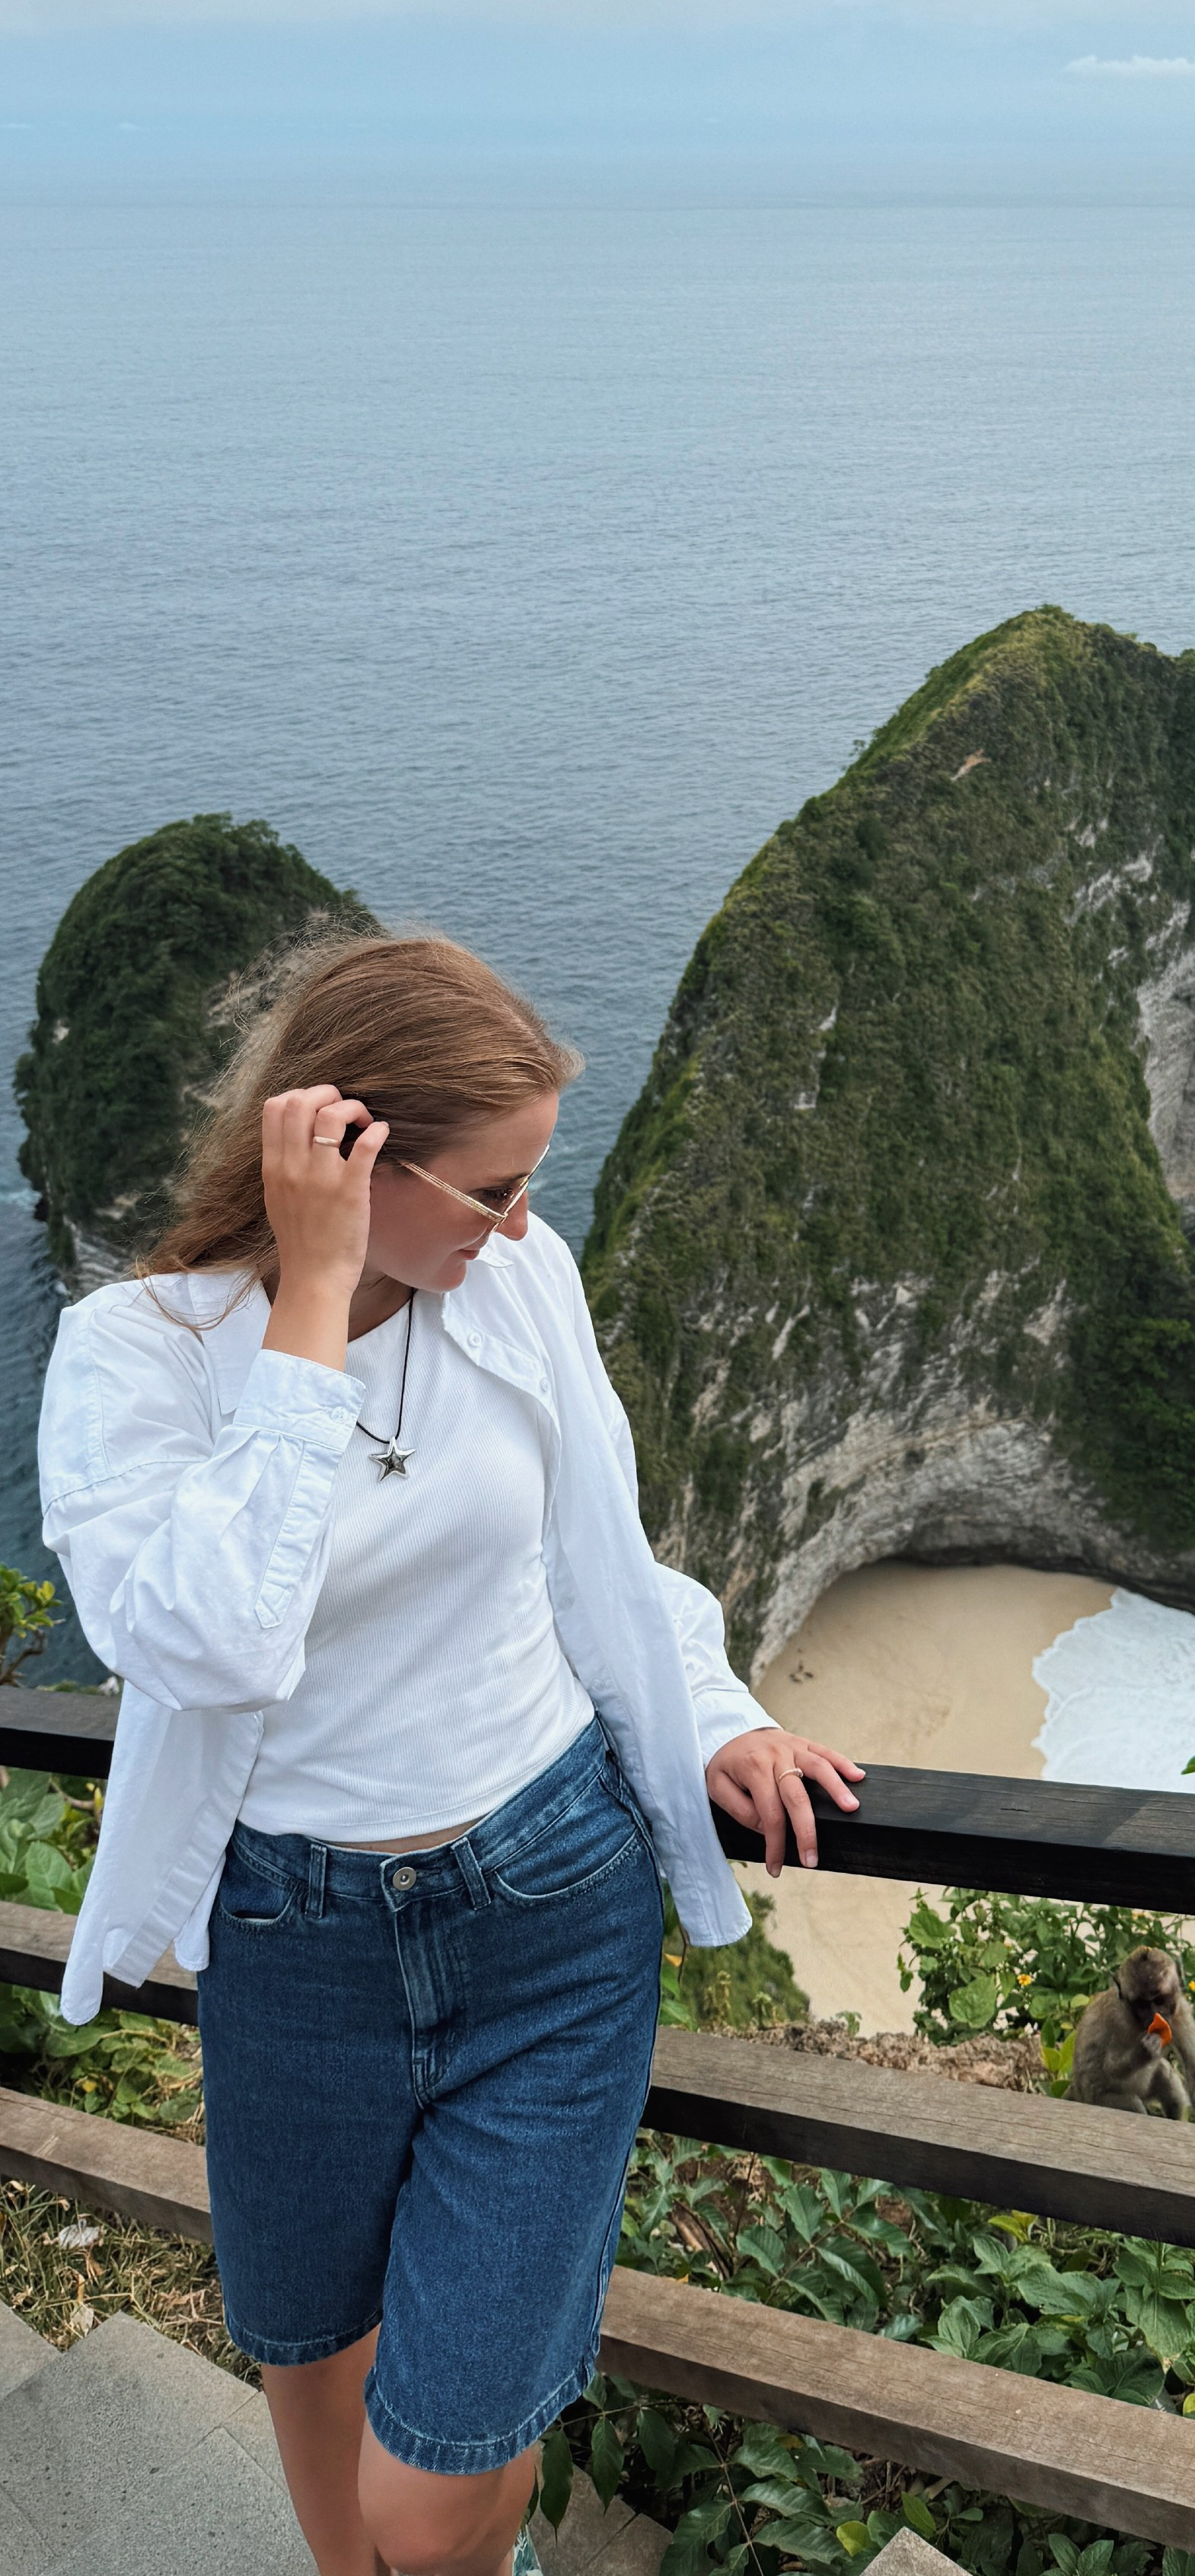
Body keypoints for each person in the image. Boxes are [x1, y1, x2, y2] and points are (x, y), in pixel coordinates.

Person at [37, 931, 861, 2576]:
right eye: (489, 1190)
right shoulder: (137, 1356)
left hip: (547, 1911)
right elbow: (202, 1640)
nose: (521, 1228)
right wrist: (317, 1308)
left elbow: (596, 1559)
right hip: (294, 1939)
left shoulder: (520, 1283)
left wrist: (717, 1713)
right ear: (344, 1158)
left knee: (433, 2492)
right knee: (313, 2356)